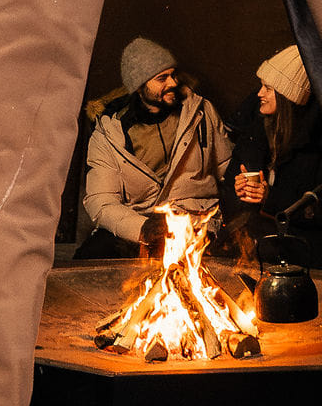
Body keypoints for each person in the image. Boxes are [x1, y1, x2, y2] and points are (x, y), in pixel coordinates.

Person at [77, 37, 233, 258]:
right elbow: (101, 201)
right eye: (162, 78)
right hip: (140, 226)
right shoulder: (109, 131)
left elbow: (228, 167)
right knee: (88, 259)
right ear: (139, 86)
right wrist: (142, 229)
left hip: (196, 224)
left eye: (173, 74)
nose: (173, 83)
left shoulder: (199, 111)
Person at [223, 45, 322, 270]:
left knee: (262, 247)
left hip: (314, 242)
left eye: (268, 88)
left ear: (287, 95)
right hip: (266, 229)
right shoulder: (258, 130)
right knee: (227, 241)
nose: (259, 94)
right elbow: (233, 181)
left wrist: (270, 199)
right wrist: (239, 189)